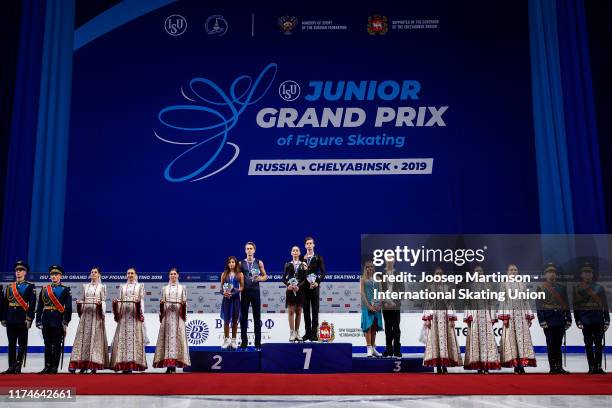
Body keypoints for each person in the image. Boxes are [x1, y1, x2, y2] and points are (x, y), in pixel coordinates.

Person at [422, 266, 462, 373]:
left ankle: (444, 365)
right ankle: (438, 366)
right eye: (437, 274)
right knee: (435, 341)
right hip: (434, 317)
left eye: (440, 274)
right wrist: (427, 319)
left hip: (444, 317)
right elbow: (428, 303)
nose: (439, 276)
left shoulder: (447, 287)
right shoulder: (430, 287)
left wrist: (451, 318)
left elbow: (450, 303)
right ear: (434, 276)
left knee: (445, 341)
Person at [498, 264, 537, 374]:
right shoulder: (504, 284)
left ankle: (522, 364)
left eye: (515, 270)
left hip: (521, 317)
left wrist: (528, 316)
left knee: (522, 340)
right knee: (512, 341)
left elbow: (525, 301)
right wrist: (504, 317)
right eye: (511, 270)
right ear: (507, 272)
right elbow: (502, 301)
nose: (513, 271)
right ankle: (515, 365)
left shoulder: (522, 284)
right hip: (510, 317)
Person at [69, 267, 108, 373]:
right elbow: (83, 299)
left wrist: (101, 311)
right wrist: (79, 303)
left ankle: (93, 365)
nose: (93, 274)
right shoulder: (85, 286)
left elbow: (103, 301)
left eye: (95, 272)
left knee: (94, 339)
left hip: (96, 316)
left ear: (99, 274)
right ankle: (81, 365)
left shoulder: (102, 287)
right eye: (92, 272)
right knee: (83, 340)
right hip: (86, 316)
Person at [572, 262, 609, 374]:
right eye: (585, 273)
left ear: (592, 275)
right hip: (585, 320)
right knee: (588, 344)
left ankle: (598, 366)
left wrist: (607, 320)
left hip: (598, 319)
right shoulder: (577, 288)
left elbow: (605, 305)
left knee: (598, 344)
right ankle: (591, 367)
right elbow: (576, 306)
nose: (587, 275)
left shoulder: (599, 287)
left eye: (589, 273)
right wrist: (578, 320)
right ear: (581, 275)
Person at [463, 265, 501, 374]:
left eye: (480, 271)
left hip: (486, 317)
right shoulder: (470, 286)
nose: (478, 273)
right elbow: (467, 303)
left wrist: (492, 317)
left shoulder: (488, 285)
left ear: (483, 273)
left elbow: (491, 302)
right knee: (476, 341)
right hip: (475, 317)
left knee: (487, 341)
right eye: (476, 271)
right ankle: (479, 366)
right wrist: (468, 317)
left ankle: (486, 365)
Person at [110, 267, 148, 372]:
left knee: (134, 340)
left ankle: (133, 364)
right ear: (126, 275)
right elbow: (121, 301)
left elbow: (141, 301)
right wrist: (116, 305)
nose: (130, 275)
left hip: (135, 317)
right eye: (128, 273)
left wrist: (140, 314)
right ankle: (123, 364)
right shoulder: (122, 287)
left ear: (135, 275)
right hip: (124, 317)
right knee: (123, 340)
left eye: (132, 273)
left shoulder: (140, 286)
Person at [35, 265, 72, 374]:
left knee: (56, 344)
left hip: (58, 319)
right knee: (47, 343)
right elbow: (40, 306)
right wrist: (38, 320)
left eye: (56, 274)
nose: (54, 276)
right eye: (52, 274)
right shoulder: (45, 289)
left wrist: (66, 321)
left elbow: (68, 307)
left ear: (60, 276)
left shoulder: (65, 289)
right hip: (46, 318)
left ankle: (54, 366)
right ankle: (47, 366)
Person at [1, 261, 36, 374]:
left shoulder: (30, 286)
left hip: (22, 317)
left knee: (22, 343)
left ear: (25, 272)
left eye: (20, 270)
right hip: (10, 317)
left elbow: (32, 304)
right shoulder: (9, 287)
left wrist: (29, 318)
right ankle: (11, 366)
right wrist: (3, 318)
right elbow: (5, 304)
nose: (18, 272)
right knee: (11, 343)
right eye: (16, 270)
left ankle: (18, 365)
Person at [536, 263, 572, 374]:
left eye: (553, 273)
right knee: (551, 344)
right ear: (545, 275)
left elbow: (566, 304)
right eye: (549, 273)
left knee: (558, 344)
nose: (551, 275)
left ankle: (559, 367)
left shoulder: (561, 288)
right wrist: (541, 320)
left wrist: (568, 319)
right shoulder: (540, 288)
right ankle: (553, 367)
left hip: (560, 318)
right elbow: (539, 305)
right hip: (548, 319)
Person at [154, 268, 190, 373]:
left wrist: (183, 307)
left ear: (178, 275)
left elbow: (185, 302)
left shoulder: (183, 288)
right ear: (169, 276)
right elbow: (162, 303)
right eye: (171, 274)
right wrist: (162, 304)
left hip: (178, 318)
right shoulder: (164, 288)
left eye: (174, 274)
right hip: (168, 317)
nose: (173, 276)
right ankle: (168, 365)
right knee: (167, 340)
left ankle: (174, 365)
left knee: (177, 341)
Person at [239, 242, 267, 350]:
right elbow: (237, 276)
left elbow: (265, 276)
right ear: (245, 250)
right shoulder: (241, 263)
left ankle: (258, 344)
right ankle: (244, 343)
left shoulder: (259, 262)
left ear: (254, 250)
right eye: (247, 248)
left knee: (257, 318)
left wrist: (259, 278)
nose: (249, 250)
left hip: (255, 292)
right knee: (243, 318)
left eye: (251, 248)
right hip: (245, 292)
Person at [301, 236, 326, 341]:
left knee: (315, 311)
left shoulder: (318, 257)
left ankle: (314, 334)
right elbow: (300, 273)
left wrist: (317, 282)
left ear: (314, 245)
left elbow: (323, 273)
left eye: (311, 243)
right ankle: (307, 333)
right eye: (307, 243)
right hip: (305, 288)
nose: (309, 245)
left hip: (314, 287)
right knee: (306, 311)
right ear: (305, 245)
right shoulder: (302, 258)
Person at [282, 246, 307, 342]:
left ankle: (297, 332)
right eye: (293, 250)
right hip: (290, 291)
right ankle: (292, 333)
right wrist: (288, 285)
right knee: (291, 312)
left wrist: (298, 286)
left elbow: (305, 279)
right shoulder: (287, 264)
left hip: (300, 291)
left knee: (299, 312)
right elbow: (283, 278)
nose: (295, 252)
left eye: (297, 250)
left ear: (299, 253)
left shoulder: (303, 264)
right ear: (291, 253)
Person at [380, 258, 404, 357]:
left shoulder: (399, 274)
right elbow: (380, 289)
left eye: (391, 259)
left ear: (394, 261)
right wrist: (384, 302)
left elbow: (402, 289)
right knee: (388, 328)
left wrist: (395, 302)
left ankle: (397, 350)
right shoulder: (381, 274)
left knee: (396, 328)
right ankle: (389, 349)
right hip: (385, 305)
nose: (389, 261)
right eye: (388, 259)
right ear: (385, 261)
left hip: (395, 305)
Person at [220, 256, 244, 349]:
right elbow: (221, 288)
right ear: (227, 264)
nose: (231, 264)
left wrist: (233, 292)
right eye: (229, 262)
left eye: (233, 262)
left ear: (236, 263)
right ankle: (226, 340)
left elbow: (242, 288)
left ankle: (234, 341)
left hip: (236, 300)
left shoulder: (240, 274)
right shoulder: (224, 274)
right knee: (226, 321)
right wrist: (224, 293)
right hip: (226, 300)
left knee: (234, 321)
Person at [361, 261, 383, 357]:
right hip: (367, 307)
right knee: (368, 327)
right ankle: (369, 348)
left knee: (374, 327)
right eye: (368, 267)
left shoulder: (378, 279)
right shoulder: (362, 279)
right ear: (365, 268)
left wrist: (379, 305)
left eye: (372, 267)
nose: (370, 269)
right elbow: (362, 293)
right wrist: (369, 306)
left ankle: (373, 348)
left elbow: (381, 293)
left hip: (377, 307)